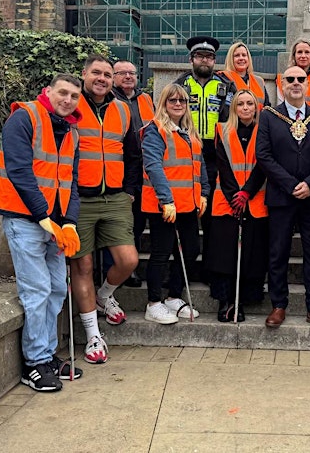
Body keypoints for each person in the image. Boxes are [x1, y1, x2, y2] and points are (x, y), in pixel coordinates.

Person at [0, 73, 85, 391]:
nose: (67, 100)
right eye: (62, 93)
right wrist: (43, 216)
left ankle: (46, 354)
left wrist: (69, 221)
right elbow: (19, 170)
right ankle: (34, 363)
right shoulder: (24, 117)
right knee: (38, 290)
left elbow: (71, 182)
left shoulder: (71, 131)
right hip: (24, 220)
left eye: (73, 96)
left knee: (57, 288)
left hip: (53, 225)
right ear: (48, 91)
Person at [70, 54, 141, 365]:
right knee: (82, 267)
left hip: (114, 197)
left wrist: (129, 191)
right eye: (96, 73)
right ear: (84, 74)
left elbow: (133, 154)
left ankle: (104, 295)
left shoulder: (123, 110)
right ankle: (92, 335)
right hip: (79, 200)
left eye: (107, 74)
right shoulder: (71, 105)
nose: (102, 78)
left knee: (128, 259)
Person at [256, 66, 310, 330]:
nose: (295, 83)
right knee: (278, 252)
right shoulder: (269, 116)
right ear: (281, 84)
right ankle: (279, 305)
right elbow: (264, 155)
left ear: (307, 83)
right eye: (289, 79)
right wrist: (291, 184)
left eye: (300, 79)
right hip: (282, 195)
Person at [141, 83, 209, 324]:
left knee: (190, 250)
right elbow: (153, 166)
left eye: (182, 101)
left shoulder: (189, 133)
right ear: (164, 104)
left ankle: (173, 296)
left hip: (188, 205)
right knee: (161, 253)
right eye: (172, 100)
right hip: (165, 206)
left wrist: (205, 193)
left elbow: (199, 168)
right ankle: (154, 302)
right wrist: (166, 200)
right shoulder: (155, 130)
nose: (178, 104)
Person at [207, 90, 269, 322]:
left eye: (249, 103)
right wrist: (236, 195)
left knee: (251, 252)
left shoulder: (263, 131)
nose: (245, 107)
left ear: (256, 107)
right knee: (225, 252)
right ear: (234, 107)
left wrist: (247, 193)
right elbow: (221, 165)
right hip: (227, 200)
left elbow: (263, 164)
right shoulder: (222, 130)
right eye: (240, 103)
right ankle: (226, 301)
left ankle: (243, 298)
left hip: (255, 199)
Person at [174, 36, 237, 258]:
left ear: (214, 60)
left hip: (215, 153)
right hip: (185, 151)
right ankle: (187, 263)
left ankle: (210, 263)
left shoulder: (227, 85)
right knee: (187, 209)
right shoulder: (180, 84)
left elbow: (233, 119)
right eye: (200, 56)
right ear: (191, 58)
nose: (204, 60)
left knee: (211, 211)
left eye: (209, 57)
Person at [112, 59, 156, 288]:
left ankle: (132, 267)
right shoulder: (110, 99)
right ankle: (121, 270)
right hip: (118, 171)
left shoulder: (145, 99)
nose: (128, 77)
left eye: (132, 73)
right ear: (113, 76)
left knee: (138, 223)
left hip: (144, 171)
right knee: (122, 225)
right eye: (122, 73)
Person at [276, 39, 310, 106]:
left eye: (307, 52)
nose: (303, 56)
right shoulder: (282, 79)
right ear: (294, 55)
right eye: (299, 52)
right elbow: (280, 106)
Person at [220, 42, 270, 109]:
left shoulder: (259, 81)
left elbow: (267, 107)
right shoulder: (223, 79)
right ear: (230, 59)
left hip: (258, 118)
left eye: (244, 55)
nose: (241, 58)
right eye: (237, 55)